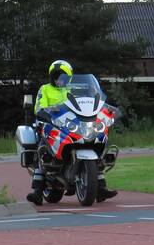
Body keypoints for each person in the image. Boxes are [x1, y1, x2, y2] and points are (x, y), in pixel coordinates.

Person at [27, 59, 117, 205]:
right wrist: (43, 113)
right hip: (50, 123)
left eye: (64, 77)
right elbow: (39, 107)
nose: (60, 80)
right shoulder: (45, 89)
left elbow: (83, 105)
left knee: (93, 144)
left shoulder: (70, 91)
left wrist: (106, 108)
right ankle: (37, 192)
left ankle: (100, 189)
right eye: (58, 76)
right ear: (53, 77)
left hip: (69, 126)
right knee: (43, 151)